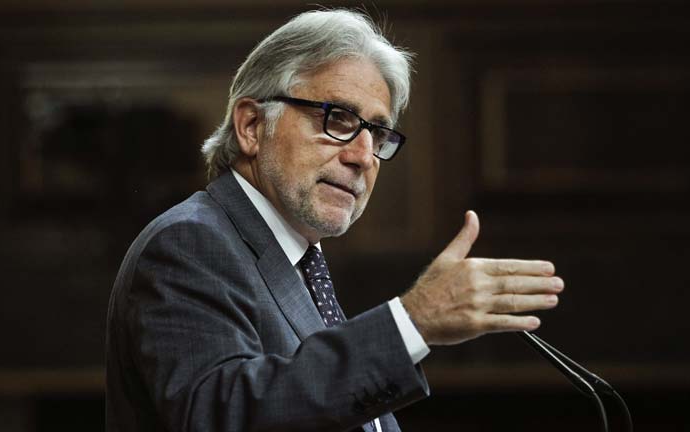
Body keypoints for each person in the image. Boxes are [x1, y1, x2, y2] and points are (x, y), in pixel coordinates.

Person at [105, 9, 564, 432]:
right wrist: (413, 321)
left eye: (377, 133)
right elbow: (223, 416)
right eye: (338, 119)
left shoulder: (299, 261)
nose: (363, 156)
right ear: (251, 127)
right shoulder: (191, 243)